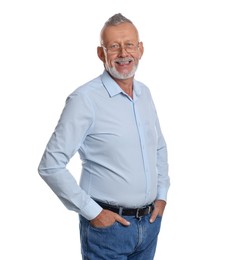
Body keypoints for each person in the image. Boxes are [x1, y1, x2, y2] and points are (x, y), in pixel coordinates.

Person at [38, 13, 170, 259]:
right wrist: (94, 213)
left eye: (129, 44)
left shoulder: (145, 94)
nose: (123, 53)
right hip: (108, 230)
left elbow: (159, 148)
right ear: (101, 54)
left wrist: (161, 196)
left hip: (150, 225)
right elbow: (50, 165)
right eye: (113, 46)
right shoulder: (85, 100)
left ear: (140, 49)